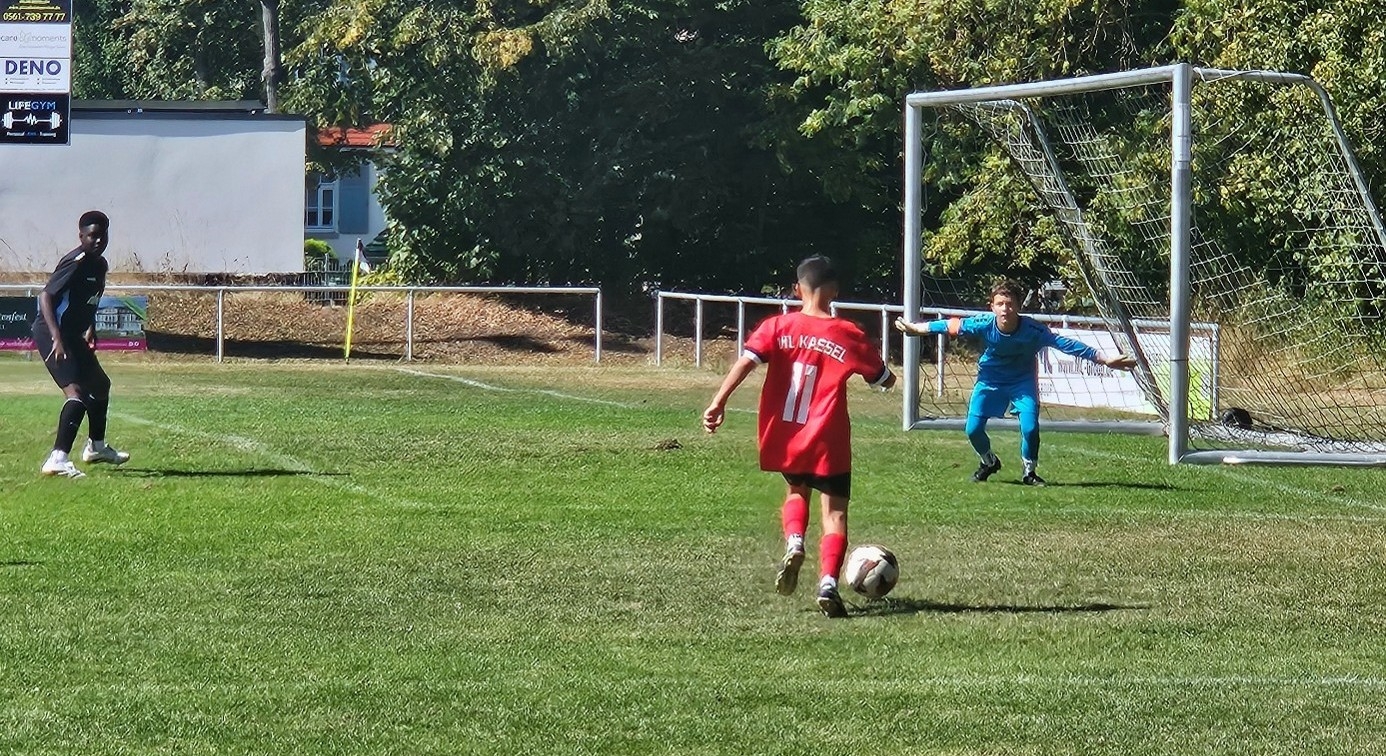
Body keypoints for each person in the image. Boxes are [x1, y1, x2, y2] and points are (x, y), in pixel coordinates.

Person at [703, 256, 896, 618]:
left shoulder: (777, 326)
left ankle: (794, 542)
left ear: (797, 289)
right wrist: (888, 379)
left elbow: (746, 361)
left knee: (796, 490)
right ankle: (828, 584)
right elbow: (882, 379)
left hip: (788, 433)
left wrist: (718, 401)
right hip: (828, 437)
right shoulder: (847, 332)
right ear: (834, 291)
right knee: (835, 513)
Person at [895, 279, 1136, 486]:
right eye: (1000, 304)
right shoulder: (984, 323)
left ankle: (1029, 472)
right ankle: (989, 461)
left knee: (1030, 428)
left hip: (1022, 382)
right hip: (989, 381)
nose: (1005, 309)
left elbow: (1066, 344)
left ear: (1018, 306)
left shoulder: (1033, 330)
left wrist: (1104, 359)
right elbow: (951, 325)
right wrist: (917, 328)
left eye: (1010, 304)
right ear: (992, 306)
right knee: (972, 430)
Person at [31, 210, 129, 479]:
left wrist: (90, 327)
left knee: (101, 384)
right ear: (81, 236)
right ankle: (57, 459)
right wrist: (56, 337)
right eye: (92, 236)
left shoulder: (100, 265)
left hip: (73, 335)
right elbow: (45, 297)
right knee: (76, 393)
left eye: (102, 236)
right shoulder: (75, 262)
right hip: (51, 333)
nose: (97, 241)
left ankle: (96, 448)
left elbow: (88, 300)